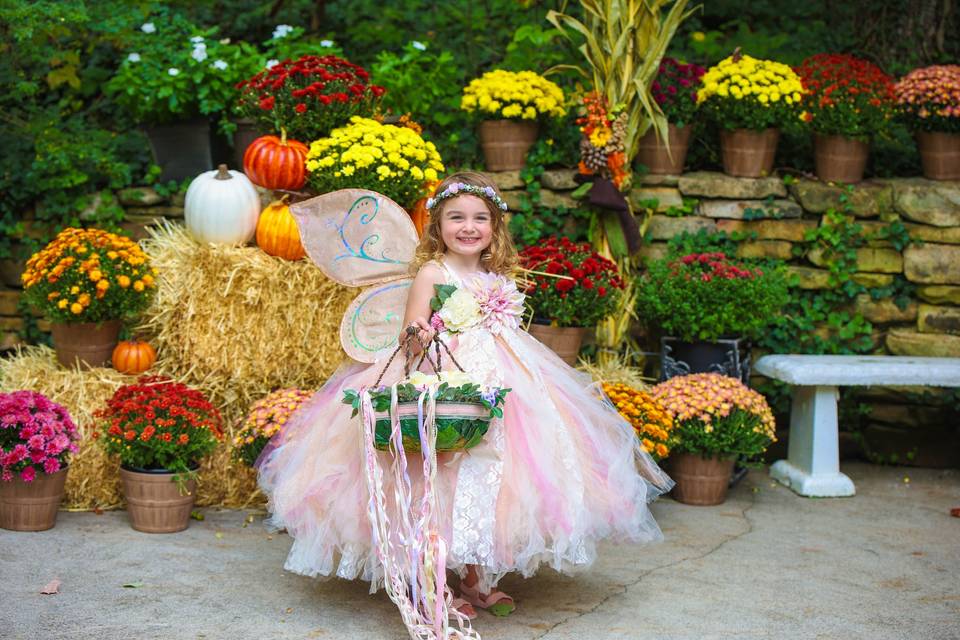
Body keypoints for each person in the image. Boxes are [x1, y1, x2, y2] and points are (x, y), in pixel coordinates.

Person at [256, 171, 672, 623]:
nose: (468, 227)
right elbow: (413, 329)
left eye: (479, 218)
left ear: (494, 227)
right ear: (438, 227)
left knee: (496, 476)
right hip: (444, 378)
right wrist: (420, 332)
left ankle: (474, 576)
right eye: (456, 218)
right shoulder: (433, 273)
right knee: (436, 478)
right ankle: (425, 582)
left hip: (503, 382)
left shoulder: (495, 275)